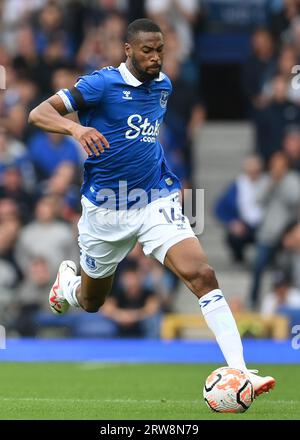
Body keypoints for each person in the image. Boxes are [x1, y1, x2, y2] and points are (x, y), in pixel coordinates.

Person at [28, 18, 275, 396]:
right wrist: (77, 129)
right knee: (93, 302)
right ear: (128, 50)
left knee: (203, 274)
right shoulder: (100, 83)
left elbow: (143, 141)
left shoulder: (164, 85)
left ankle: (241, 371)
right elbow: (38, 113)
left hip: (153, 200)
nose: (156, 57)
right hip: (105, 210)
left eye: (160, 49)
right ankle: (69, 288)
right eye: (147, 50)